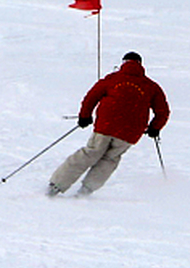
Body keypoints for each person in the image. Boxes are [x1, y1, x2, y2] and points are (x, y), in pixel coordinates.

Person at [47, 52, 170, 196]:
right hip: (130, 132)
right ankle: (87, 189)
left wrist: (84, 116)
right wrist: (155, 128)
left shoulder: (112, 79)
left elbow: (91, 97)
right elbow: (163, 112)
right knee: (110, 159)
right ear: (140, 65)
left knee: (90, 153)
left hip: (106, 125)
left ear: (123, 63)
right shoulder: (151, 86)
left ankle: (57, 185)